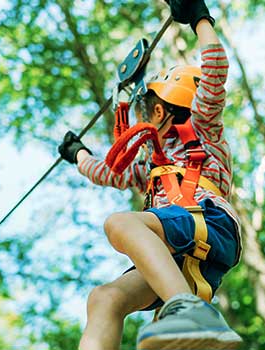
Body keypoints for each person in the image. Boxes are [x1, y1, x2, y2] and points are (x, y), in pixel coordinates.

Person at [58, 1, 242, 349]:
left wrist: (198, 17)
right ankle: (185, 312)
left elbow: (215, 69)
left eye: (146, 111)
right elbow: (108, 172)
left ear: (159, 109)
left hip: (209, 224)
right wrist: (77, 153)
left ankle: (187, 312)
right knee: (105, 298)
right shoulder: (150, 168)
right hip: (175, 251)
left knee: (121, 223)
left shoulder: (203, 130)